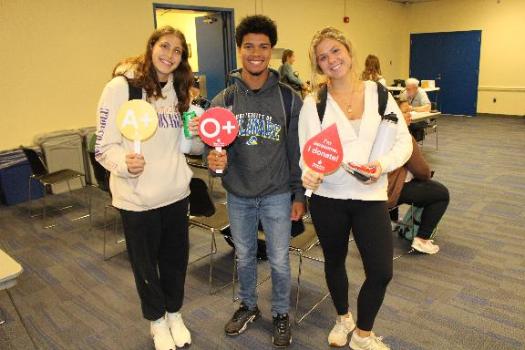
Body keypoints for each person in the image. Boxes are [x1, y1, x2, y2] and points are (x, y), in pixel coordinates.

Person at [299, 27, 412, 350]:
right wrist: (310, 174)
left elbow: (404, 141)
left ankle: (363, 334)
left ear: (349, 51)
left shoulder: (379, 94)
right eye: (323, 57)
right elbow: (306, 153)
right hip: (328, 198)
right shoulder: (314, 103)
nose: (331, 60)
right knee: (334, 262)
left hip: (370, 196)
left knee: (380, 271)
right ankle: (342, 317)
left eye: (335, 51)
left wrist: (381, 165)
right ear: (318, 65)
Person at [95, 26, 203, 350]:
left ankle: (174, 314)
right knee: (145, 267)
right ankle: (157, 321)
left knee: (175, 262)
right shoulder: (121, 88)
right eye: (164, 46)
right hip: (137, 199)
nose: (169, 55)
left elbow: (189, 148)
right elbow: (103, 145)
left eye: (177, 51)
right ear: (151, 46)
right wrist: (124, 164)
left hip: (175, 194)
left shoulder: (181, 91)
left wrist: (196, 132)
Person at [205, 15, 305, 348]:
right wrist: (214, 164)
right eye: (249, 46)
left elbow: (296, 152)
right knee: (244, 256)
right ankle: (247, 306)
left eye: (263, 46)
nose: (256, 53)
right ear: (239, 50)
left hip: (277, 194)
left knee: (278, 259)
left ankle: (280, 313)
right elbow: (214, 154)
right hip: (239, 195)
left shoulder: (289, 99)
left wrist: (299, 195)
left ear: (271, 51)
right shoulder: (225, 101)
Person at [388, 99, 449, 254]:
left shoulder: (375, 132)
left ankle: (389, 221)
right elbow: (423, 172)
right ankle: (421, 240)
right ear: (395, 114)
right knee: (441, 193)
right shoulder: (404, 138)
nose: (410, 115)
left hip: (369, 191)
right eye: (406, 112)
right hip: (389, 193)